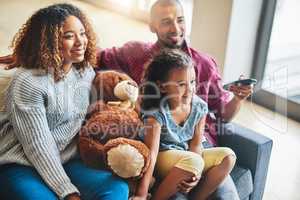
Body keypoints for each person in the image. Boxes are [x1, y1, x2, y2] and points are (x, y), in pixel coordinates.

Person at [0, 4, 129, 200]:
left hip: (65, 160)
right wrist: (67, 192)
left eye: (83, 33)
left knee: (117, 188)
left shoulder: (85, 71)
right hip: (20, 163)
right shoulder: (27, 83)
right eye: (69, 36)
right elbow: (38, 146)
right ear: (47, 41)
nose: (80, 42)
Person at [131, 49, 236, 200]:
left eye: (192, 82)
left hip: (186, 156)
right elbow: (151, 154)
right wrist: (141, 194)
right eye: (181, 85)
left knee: (228, 156)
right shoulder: (157, 113)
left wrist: (196, 175)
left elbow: (195, 145)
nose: (190, 90)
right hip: (161, 157)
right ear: (162, 87)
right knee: (193, 161)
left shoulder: (199, 107)